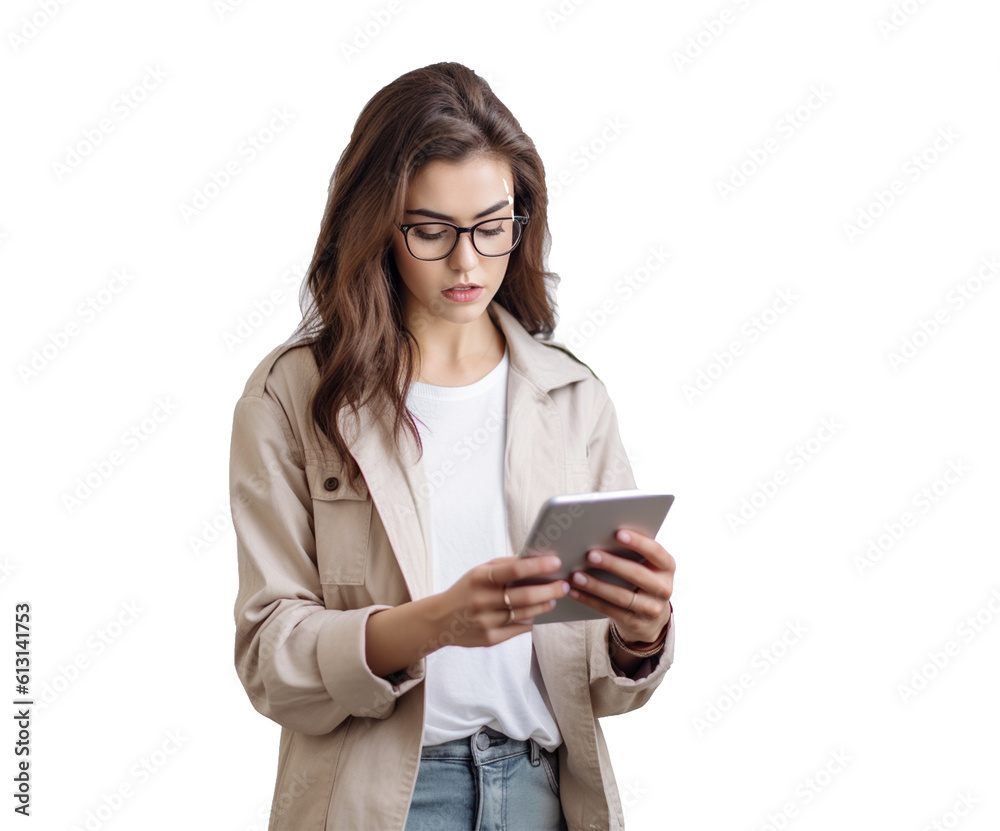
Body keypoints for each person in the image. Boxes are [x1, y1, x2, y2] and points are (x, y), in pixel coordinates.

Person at [230, 61, 677, 831]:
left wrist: (640, 636)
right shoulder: (294, 395)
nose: (468, 262)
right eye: (432, 231)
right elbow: (271, 660)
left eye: (492, 226)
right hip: (387, 801)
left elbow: (601, 683)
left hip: (544, 793)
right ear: (376, 225)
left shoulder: (571, 397)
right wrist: (432, 623)